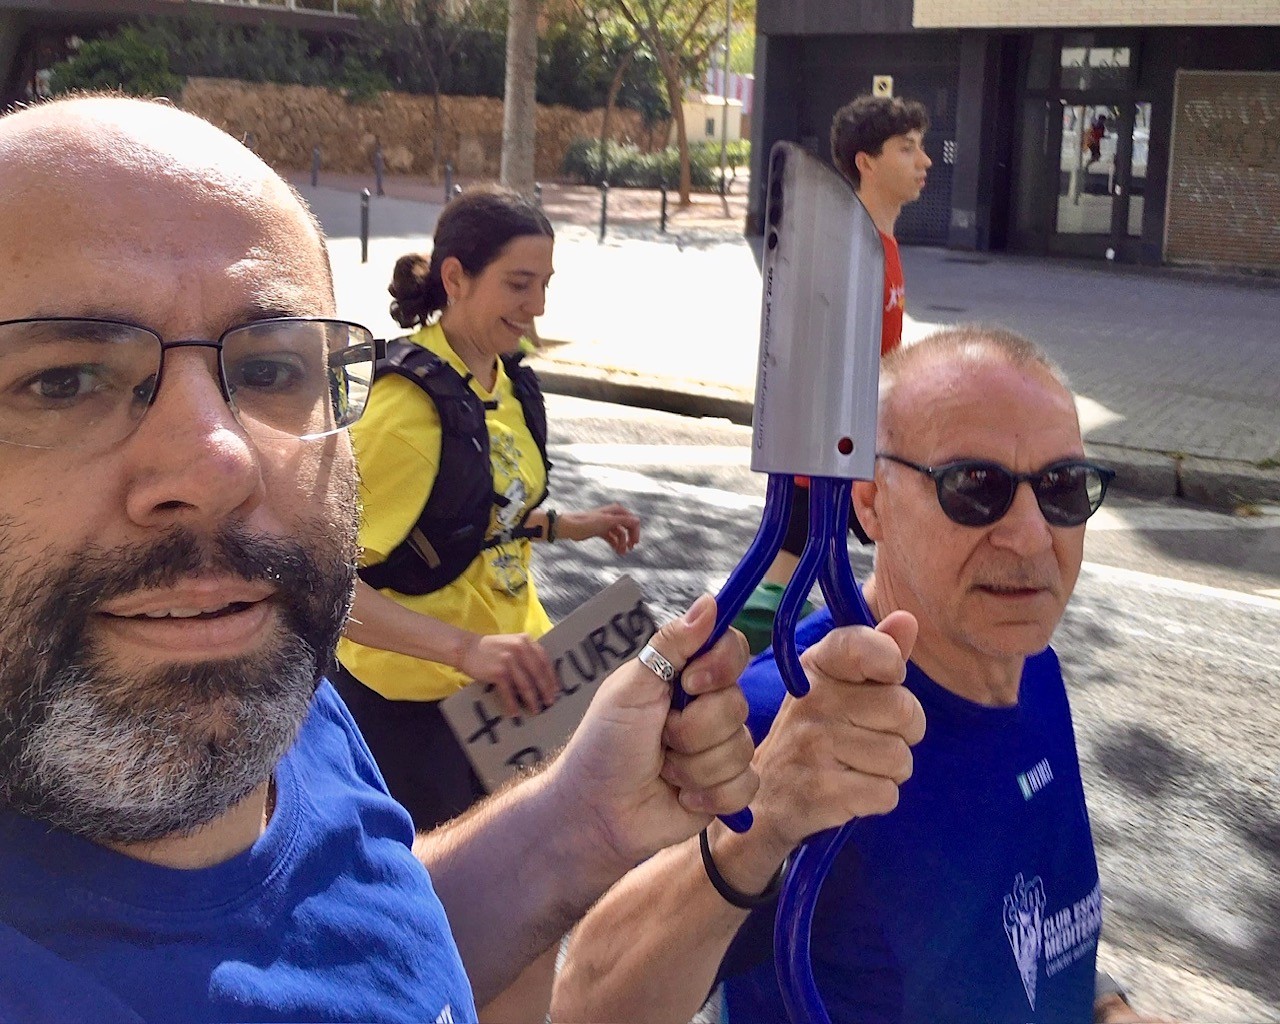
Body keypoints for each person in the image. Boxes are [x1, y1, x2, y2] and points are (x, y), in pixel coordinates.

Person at [0, 96, 925, 1024]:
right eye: (63, 381)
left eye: (270, 370)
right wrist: (464, 651)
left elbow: (364, 932)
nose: (218, 464)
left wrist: (580, 820)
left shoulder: (275, 686)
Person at [556, 326, 1159, 1024]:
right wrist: (761, 825)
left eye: (1062, 487)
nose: (1030, 537)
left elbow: (1018, 930)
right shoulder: (789, 717)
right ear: (869, 501)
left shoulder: (1032, 665)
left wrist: (1107, 1006)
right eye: (975, 487)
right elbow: (588, 1004)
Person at [335, 187, 641, 833]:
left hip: (513, 688)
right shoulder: (403, 414)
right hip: (416, 713)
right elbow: (328, 588)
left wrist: (569, 525)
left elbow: (469, 515)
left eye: (545, 285)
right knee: (453, 886)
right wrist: (466, 648)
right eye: (519, 284)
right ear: (456, 279)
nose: (538, 307)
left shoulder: (508, 381)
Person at [733, 94, 932, 653]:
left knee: (811, 572)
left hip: (860, 444)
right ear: (866, 162)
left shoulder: (880, 244)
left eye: (921, 148)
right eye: (907, 149)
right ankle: (736, 669)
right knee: (782, 579)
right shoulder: (850, 247)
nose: (924, 162)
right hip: (829, 452)